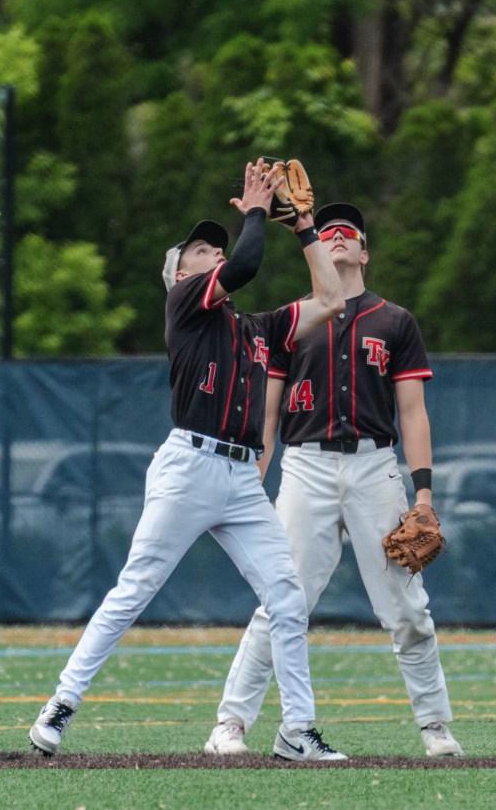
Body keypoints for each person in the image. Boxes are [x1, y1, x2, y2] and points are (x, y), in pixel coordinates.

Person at [29, 159, 348, 762]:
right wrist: (256, 209)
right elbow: (247, 264)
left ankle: (297, 730)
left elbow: (330, 297)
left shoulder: (256, 328)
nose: (212, 253)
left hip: (241, 476)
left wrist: (305, 226)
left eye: (213, 248)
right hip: (190, 466)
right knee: (135, 589)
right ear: (179, 273)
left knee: (286, 595)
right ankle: (61, 704)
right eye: (201, 249)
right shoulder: (184, 306)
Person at [204, 202, 464, 759]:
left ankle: (435, 726)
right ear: (314, 251)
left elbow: (413, 413)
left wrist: (421, 492)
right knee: (281, 600)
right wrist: (253, 480)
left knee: (406, 606)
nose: (339, 235)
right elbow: (268, 416)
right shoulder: (292, 320)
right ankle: (231, 724)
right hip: (305, 465)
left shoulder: (396, 321)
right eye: (328, 231)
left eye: (350, 232)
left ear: (365, 253)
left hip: (375, 465)